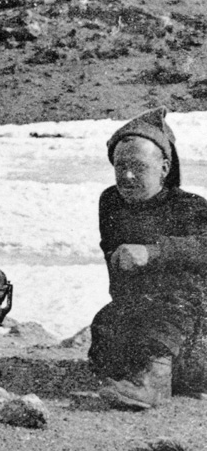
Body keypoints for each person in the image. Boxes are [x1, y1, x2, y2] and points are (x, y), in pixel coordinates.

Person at [88, 108, 207, 410]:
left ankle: (155, 385)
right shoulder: (111, 201)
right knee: (105, 327)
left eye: (138, 167)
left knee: (165, 314)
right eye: (120, 166)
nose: (126, 176)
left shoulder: (190, 207)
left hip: (191, 317)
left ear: (164, 167)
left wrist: (153, 252)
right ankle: (156, 373)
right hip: (140, 307)